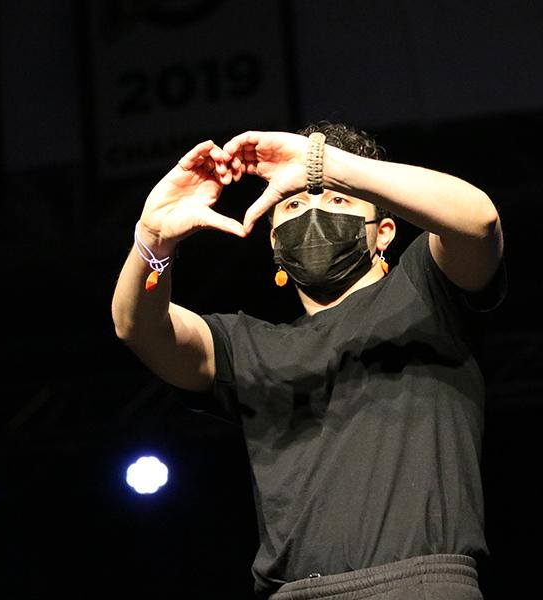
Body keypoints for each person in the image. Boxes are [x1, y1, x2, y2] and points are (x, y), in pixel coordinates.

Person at [111, 121, 505, 599]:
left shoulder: (426, 289)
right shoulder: (244, 345)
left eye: (337, 200)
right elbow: (138, 326)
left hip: (416, 585)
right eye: (294, 205)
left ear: (383, 233)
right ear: (275, 243)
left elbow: (478, 221)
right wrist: (153, 240)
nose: (313, 213)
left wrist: (322, 167)